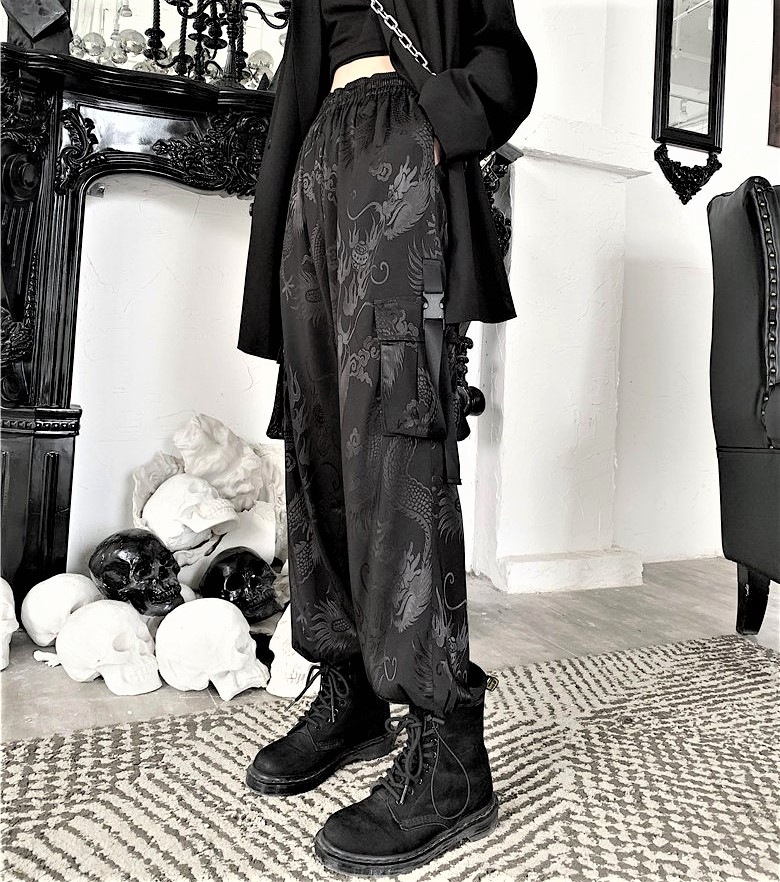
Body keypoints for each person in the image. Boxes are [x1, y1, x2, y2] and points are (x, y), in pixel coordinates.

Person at [239, 1, 537, 875]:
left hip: (404, 151)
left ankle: (449, 749)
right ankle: (353, 691)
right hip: (317, 160)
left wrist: (437, 123)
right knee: (318, 437)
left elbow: (503, 53)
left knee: (401, 438)